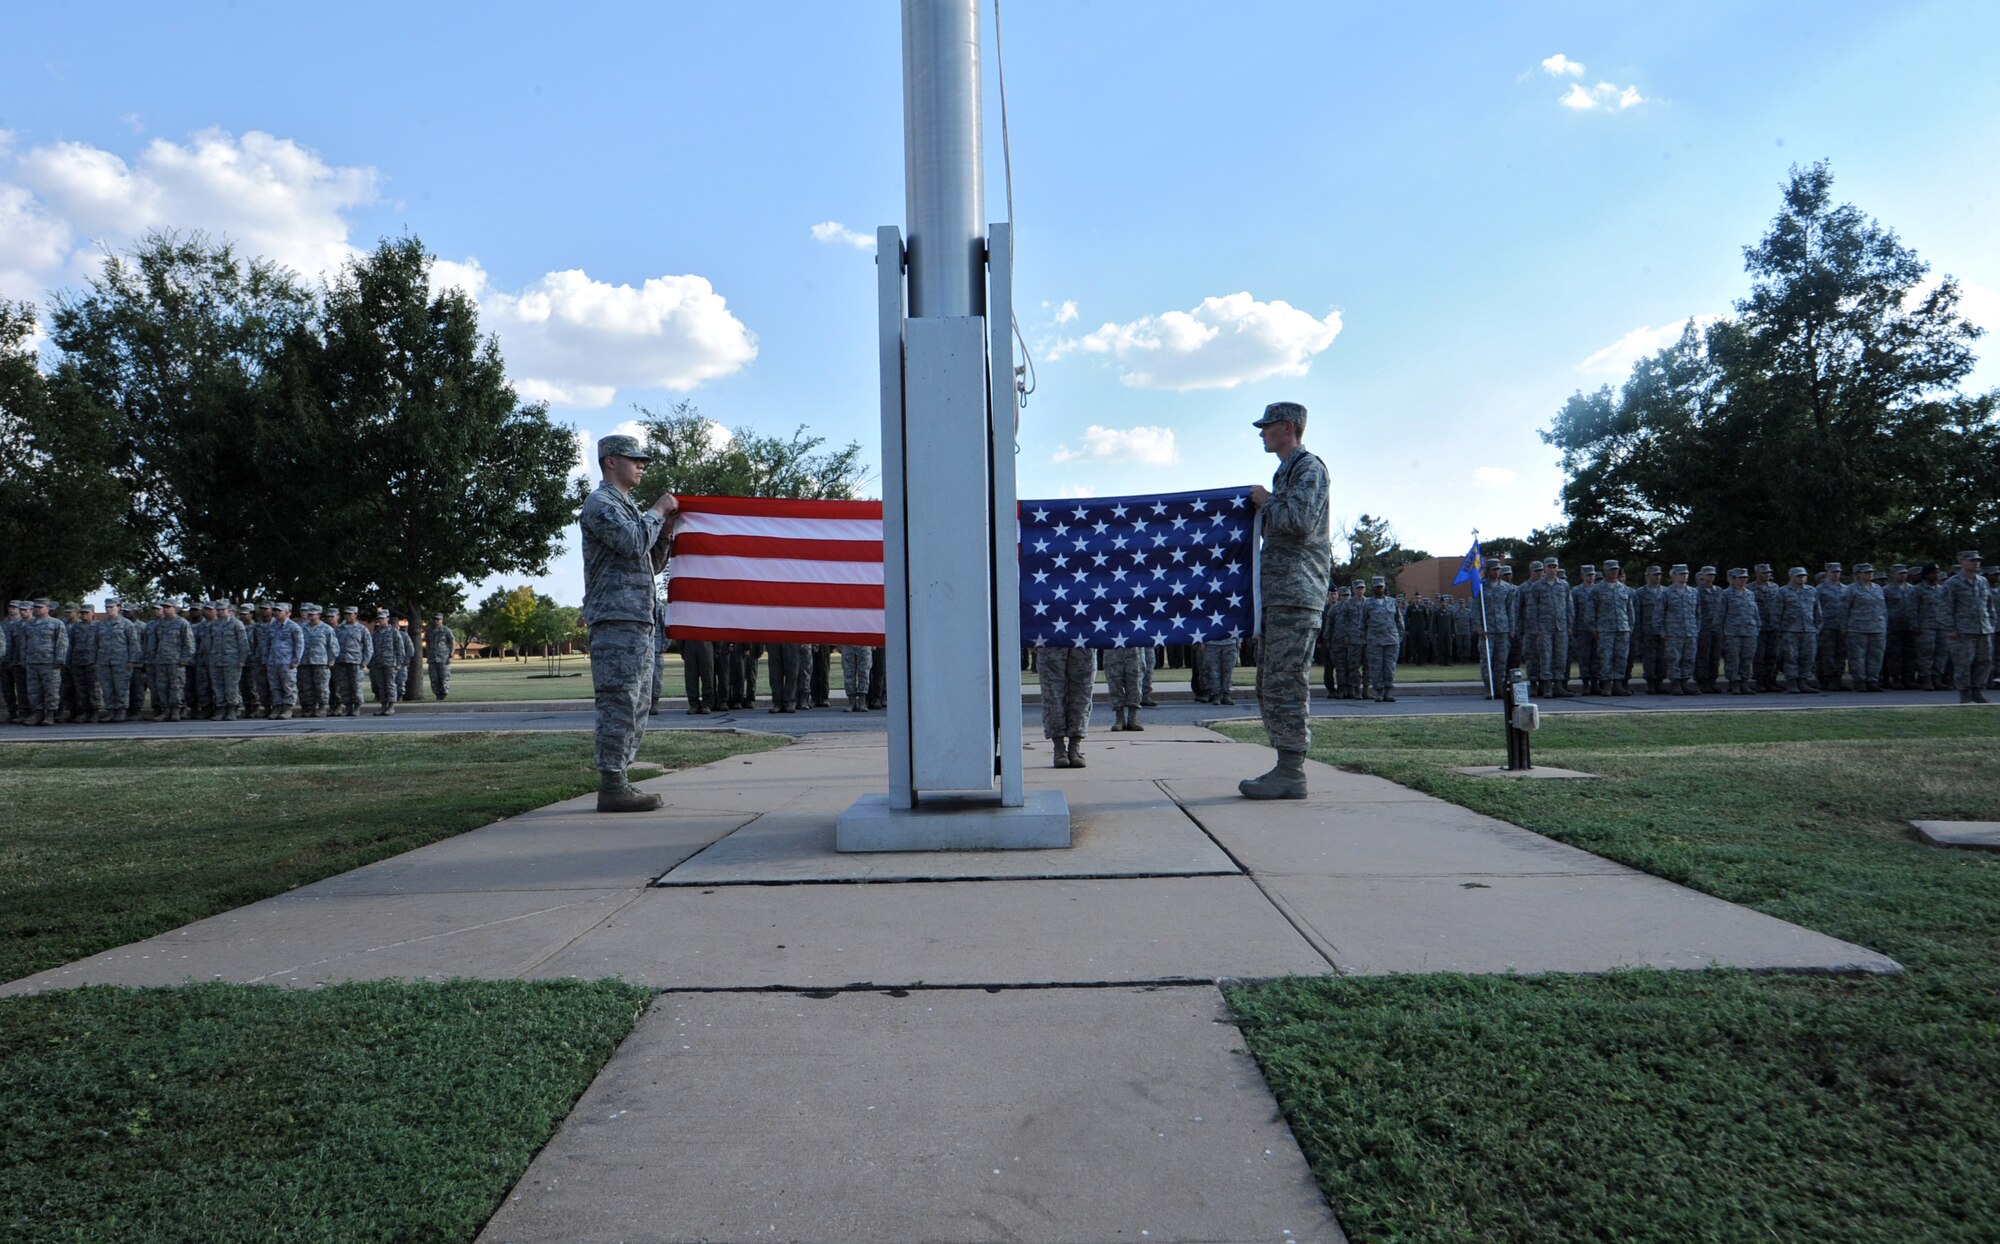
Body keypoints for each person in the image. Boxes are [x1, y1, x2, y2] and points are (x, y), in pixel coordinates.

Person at [582, 433, 677, 812]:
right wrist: (658, 511)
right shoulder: (601, 504)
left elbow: (649, 562)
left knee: (637, 703)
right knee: (618, 701)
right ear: (610, 462)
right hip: (615, 618)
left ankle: (621, 777)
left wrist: (666, 531)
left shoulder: (629, 507)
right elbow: (634, 543)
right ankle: (612, 785)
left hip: (638, 618)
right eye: (634, 459)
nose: (641, 465)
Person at [1240, 401, 1330, 800]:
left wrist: (1265, 501)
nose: (1262, 433)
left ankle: (1292, 771)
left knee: (1286, 682)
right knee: (1271, 681)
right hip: (1280, 595)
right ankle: (1285, 765)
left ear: (1289, 427)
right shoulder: (1286, 472)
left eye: (1268, 426)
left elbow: (1299, 521)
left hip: (1296, 593)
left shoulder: (1308, 467)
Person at [1942, 550, 1993, 703]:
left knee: (1985, 661)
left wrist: (1992, 623)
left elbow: (1989, 605)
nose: (1976, 562)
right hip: (1962, 630)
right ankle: (1964, 693)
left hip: (1983, 628)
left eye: (1978, 560)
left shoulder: (1982, 581)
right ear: (1962, 562)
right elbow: (1945, 607)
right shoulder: (1953, 583)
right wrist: (1950, 628)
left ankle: (1977, 690)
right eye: (1972, 560)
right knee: (1963, 663)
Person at [1036, 642, 1093, 767]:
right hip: (1050, 636)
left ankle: (1075, 746)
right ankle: (1059, 747)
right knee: (1052, 693)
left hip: (1084, 635)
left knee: (1082, 692)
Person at [1779, 567, 1823, 692]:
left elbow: (1817, 611)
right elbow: (1777, 612)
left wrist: (1818, 627)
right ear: (1791, 577)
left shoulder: (1811, 591)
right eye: (1799, 576)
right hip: (1790, 630)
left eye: (1804, 575)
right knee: (1791, 657)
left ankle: (1803, 682)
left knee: (1808, 657)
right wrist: (1779, 629)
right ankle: (1792, 683)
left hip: (1809, 630)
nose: (1802, 578)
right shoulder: (1783, 591)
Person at [1845, 565, 1888, 692]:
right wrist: (1843, 626)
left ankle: (1872, 680)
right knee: (1858, 656)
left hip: (1877, 627)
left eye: (1871, 572)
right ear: (1858, 574)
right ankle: (1860, 681)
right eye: (1867, 572)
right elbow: (1845, 608)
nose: (1870, 574)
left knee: (1876, 656)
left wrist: (1885, 625)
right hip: (1857, 627)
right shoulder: (1851, 589)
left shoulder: (1878, 588)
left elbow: (1883, 609)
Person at [1718, 568, 1761, 694]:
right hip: (1732, 632)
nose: (1743, 580)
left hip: (1750, 631)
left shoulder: (1750, 594)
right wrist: (1721, 632)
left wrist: (1757, 627)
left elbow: (1755, 613)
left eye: (1745, 578)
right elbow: (1720, 614)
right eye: (1740, 578)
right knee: (1733, 658)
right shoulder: (1726, 594)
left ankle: (1744, 682)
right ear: (1734, 579)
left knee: (1747, 658)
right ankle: (1734, 683)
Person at [1662, 564, 1701, 695]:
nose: (1685, 576)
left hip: (1690, 631)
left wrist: (1697, 629)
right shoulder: (1666, 592)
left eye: (1686, 573)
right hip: (1673, 632)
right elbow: (1659, 612)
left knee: (1689, 658)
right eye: (1681, 574)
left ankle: (1685, 683)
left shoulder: (1694, 592)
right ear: (1674, 575)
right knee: (1674, 658)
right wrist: (1661, 630)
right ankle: (1675, 684)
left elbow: (1698, 613)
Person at [1362, 575, 1402, 702]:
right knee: (1376, 667)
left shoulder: (1392, 601)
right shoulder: (1367, 603)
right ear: (1373, 588)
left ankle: (1388, 692)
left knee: (1389, 667)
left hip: (1392, 640)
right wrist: (1364, 639)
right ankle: (1378, 692)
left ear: (1384, 587)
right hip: (1375, 640)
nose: (1379, 589)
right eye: (1377, 587)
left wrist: (1399, 637)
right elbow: (1362, 622)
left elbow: (1399, 621)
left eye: (1381, 587)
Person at [264, 602, 304, 719]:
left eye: (279, 611)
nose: (276, 612)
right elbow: (266, 645)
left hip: (287, 662)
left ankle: (287, 708)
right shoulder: (271, 627)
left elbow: (299, 644)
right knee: (274, 686)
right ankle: (277, 707)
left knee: (288, 686)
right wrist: (266, 659)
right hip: (273, 661)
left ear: (287, 613)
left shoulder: (294, 627)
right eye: (275, 610)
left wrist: (296, 660)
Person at [299, 604, 337, 717]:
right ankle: (311, 707)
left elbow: (333, 646)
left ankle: (322, 707)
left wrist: (331, 660)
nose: (309, 615)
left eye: (312, 614)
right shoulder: (302, 628)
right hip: (305, 662)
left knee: (321, 686)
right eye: (308, 613)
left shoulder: (326, 629)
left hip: (321, 662)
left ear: (319, 615)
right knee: (307, 686)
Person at [212, 601, 249, 720]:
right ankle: (221, 708)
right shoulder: (213, 625)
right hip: (216, 660)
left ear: (229, 610)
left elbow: (243, 643)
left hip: (232, 660)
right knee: (218, 686)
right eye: (218, 610)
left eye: (223, 609)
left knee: (231, 686)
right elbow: (208, 643)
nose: (220, 612)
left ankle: (232, 708)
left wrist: (242, 659)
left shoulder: (237, 624)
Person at [333, 606, 372, 717]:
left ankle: (356, 706)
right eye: (346, 614)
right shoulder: (339, 629)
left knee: (356, 685)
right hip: (341, 661)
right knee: (344, 686)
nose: (348, 616)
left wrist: (365, 661)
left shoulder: (362, 629)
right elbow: (334, 645)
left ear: (355, 615)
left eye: (350, 614)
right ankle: (348, 706)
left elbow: (368, 646)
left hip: (356, 661)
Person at [1104, 642, 1145, 731]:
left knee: (1135, 683)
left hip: (1134, 648)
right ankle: (1120, 719)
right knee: (1115, 683)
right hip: (1113, 647)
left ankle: (1132, 719)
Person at [427, 613, 455, 699]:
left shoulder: (446, 630)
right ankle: (437, 695)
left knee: (444, 678)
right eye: (435, 619)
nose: (437, 621)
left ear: (442, 620)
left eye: (438, 619)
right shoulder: (430, 631)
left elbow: (453, 643)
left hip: (443, 658)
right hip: (432, 659)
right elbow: (427, 644)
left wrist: (451, 656)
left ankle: (443, 695)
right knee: (434, 679)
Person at [839, 642, 871, 712]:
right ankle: (851, 703)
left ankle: (862, 703)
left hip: (864, 642)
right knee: (848, 672)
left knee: (864, 672)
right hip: (847, 642)